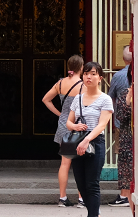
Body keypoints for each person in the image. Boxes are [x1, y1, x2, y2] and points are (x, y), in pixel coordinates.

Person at [66, 61, 114, 217]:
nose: (89, 77)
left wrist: (87, 140)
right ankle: (94, 211)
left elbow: (102, 125)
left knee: (92, 184)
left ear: (100, 78)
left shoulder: (105, 99)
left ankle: (92, 214)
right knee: (81, 184)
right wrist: (75, 127)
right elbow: (68, 122)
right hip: (77, 143)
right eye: (86, 73)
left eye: (93, 74)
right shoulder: (77, 99)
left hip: (95, 143)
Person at [42, 54, 85, 207]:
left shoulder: (60, 83)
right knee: (81, 163)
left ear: (69, 67)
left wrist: (60, 114)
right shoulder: (83, 85)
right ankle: (82, 198)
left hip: (63, 124)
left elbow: (45, 99)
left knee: (65, 163)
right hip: (79, 124)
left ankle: (62, 198)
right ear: (81, 68)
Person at [111, 71, 133, 207]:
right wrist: (129, 98)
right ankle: (125, 198)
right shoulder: (125, 94)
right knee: (127, 178)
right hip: (127, 142)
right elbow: (120, 116)